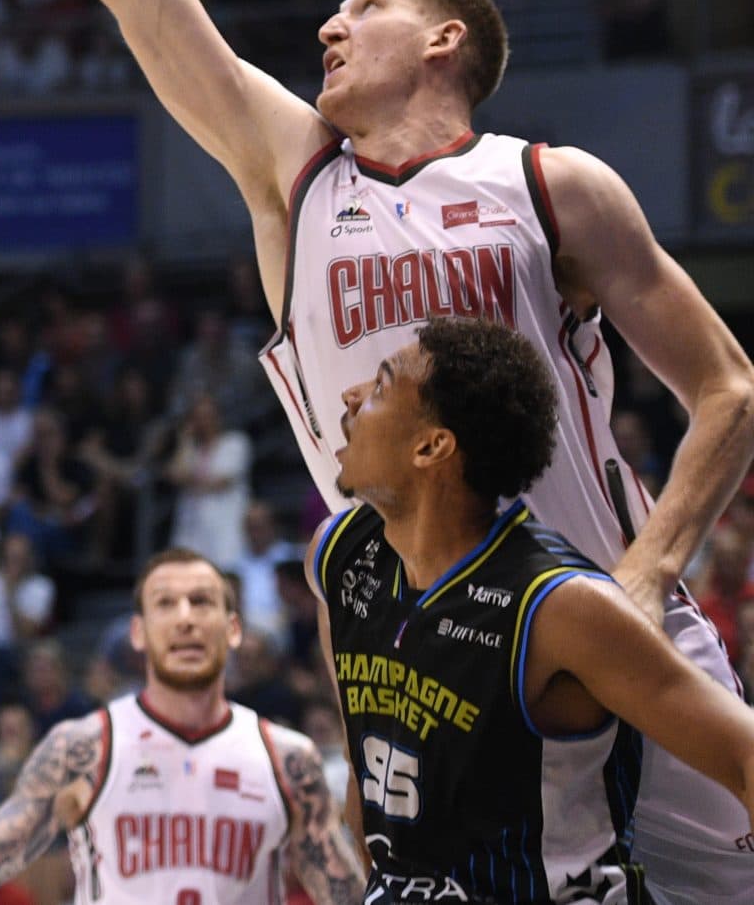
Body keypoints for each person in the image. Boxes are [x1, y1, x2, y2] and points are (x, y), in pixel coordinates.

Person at [0, 0, 754, 904]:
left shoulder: (550, 182)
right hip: (432, 658)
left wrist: (651, 564)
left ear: (446, 38)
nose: (329, 24)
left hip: (601, 621)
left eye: (366, 3)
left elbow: (729, 385)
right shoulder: (295, 174)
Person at [312, 316, 754, 901]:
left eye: (381, 385)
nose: (351, 395)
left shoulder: (560, 606)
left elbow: (743, 756)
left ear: (431, 447)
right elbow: (350, 707)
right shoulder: (338, 555)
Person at [0, 548, 365, 905]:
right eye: (165, 604)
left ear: (233, 629)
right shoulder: (85, 747)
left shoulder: (286, 758)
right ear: (137, 632)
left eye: (202, 602)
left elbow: (346, 893)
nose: (185, 618)